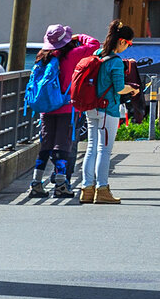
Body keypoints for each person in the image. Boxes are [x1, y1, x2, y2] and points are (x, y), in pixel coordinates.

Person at [24, 24, 90, 200]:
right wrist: (79, 37)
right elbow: (93, 44)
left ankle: (36, 184)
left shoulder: (42, 57)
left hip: (45, 108)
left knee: (45, 145)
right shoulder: (72, 55)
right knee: (62, 145)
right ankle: (61, 184)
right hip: (65, 107)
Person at [75, 22, 132, 204]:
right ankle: (102, 189)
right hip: (108, 110)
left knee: (91, 148)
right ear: (121, 41)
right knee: (104, 150)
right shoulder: (115, 61)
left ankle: (87, 189)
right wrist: (132, 89)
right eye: (129, 44)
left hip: (91, 108)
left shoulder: (97, 55)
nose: (128, 47)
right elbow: (120, 88)